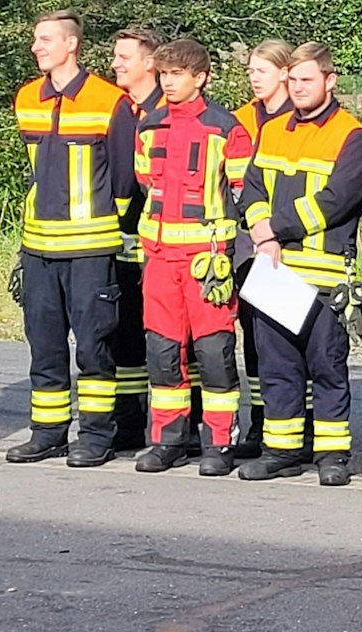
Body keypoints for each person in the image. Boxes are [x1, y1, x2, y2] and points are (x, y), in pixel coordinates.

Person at [238, 41, 362, 486]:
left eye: (307, 80)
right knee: (278, 369)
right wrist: (260, 229)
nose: (297, 88)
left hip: (325, 276)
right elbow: (252, 190)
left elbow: (336, 202)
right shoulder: (273, 130)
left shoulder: (353, 137)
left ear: (330, 81)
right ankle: (282, 450)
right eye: (292, 80)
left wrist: (272, 229)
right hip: (275, 271)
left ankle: (333, 453)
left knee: (327, 368)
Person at [7, 10, 138, 468]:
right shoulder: (27, 98)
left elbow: (125, 176)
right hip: (39, 248)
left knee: (94, 346)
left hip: (89, 249)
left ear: (71, 45)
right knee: (43, 344)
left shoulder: (107, 100)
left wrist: (107, 227)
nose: (36, 48)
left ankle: (97, 435)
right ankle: (47, 432)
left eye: (45, 40)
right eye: (35, 40)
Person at [131, 38, 253, 476]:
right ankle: (168, 440)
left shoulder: (226, 127)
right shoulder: (149, 125)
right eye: (164, 74)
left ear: (200, 77)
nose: (168, 81)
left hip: (207, 262)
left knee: (214, 352)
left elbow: (243, 193)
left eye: (177, 74)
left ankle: (220, 442)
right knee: (163, 352)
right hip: (160, 259)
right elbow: (146, 183)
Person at [230, 39, 295, 459]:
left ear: (285, 73)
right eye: (251, 70)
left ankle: (294, 420)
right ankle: (259, 418)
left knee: (288, 334)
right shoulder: (238, 120)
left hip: (289, 240)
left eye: (262, 70)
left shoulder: (297, 119)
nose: (254, 77)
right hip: (245, 238)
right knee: (252, 336)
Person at [109, 27, 163, 451]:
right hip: (123, 242)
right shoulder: (120, 110)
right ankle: (127, 425)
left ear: (151, 62)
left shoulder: (171, 111)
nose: (115, 63)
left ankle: (187, 426)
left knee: (175, 342)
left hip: (168, 245)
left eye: (124, 56)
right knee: (125, 334)